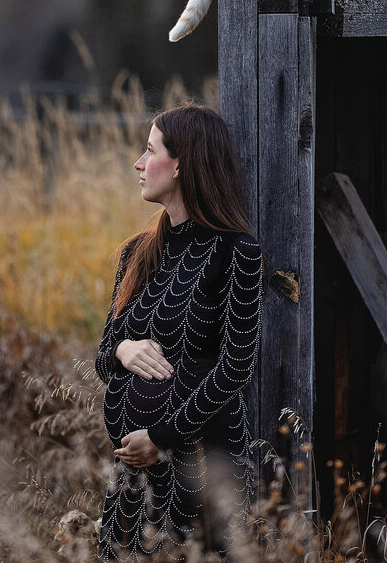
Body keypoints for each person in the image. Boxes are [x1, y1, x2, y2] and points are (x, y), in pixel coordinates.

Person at [95, 103, 264, 561]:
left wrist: (162, 436)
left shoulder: (237, 251)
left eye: (149, 151)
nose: (138, 163)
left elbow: (237, 367)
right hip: (135, 476)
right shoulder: (136, 253)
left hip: (206, 465)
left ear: (182, 162)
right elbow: (102, 354)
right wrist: (123, 350)